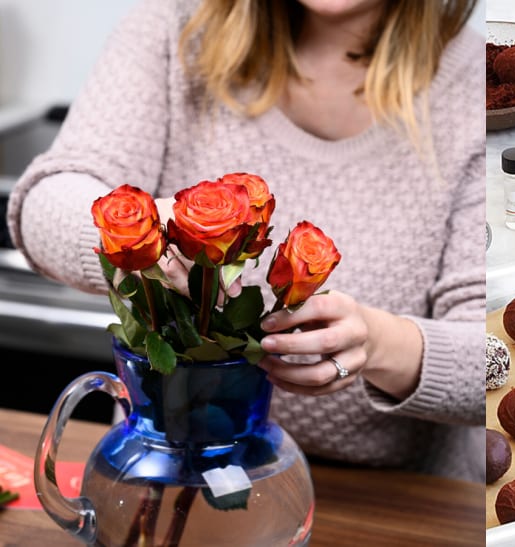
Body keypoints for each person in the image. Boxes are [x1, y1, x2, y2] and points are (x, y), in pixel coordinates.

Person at [6, 0, 485, 482]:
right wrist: (153, 233)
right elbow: (43, 203)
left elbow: (494, 361)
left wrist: (380, 343)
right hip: (168, 485)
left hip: (406, 505)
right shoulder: (175, 29)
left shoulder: (480, 87)